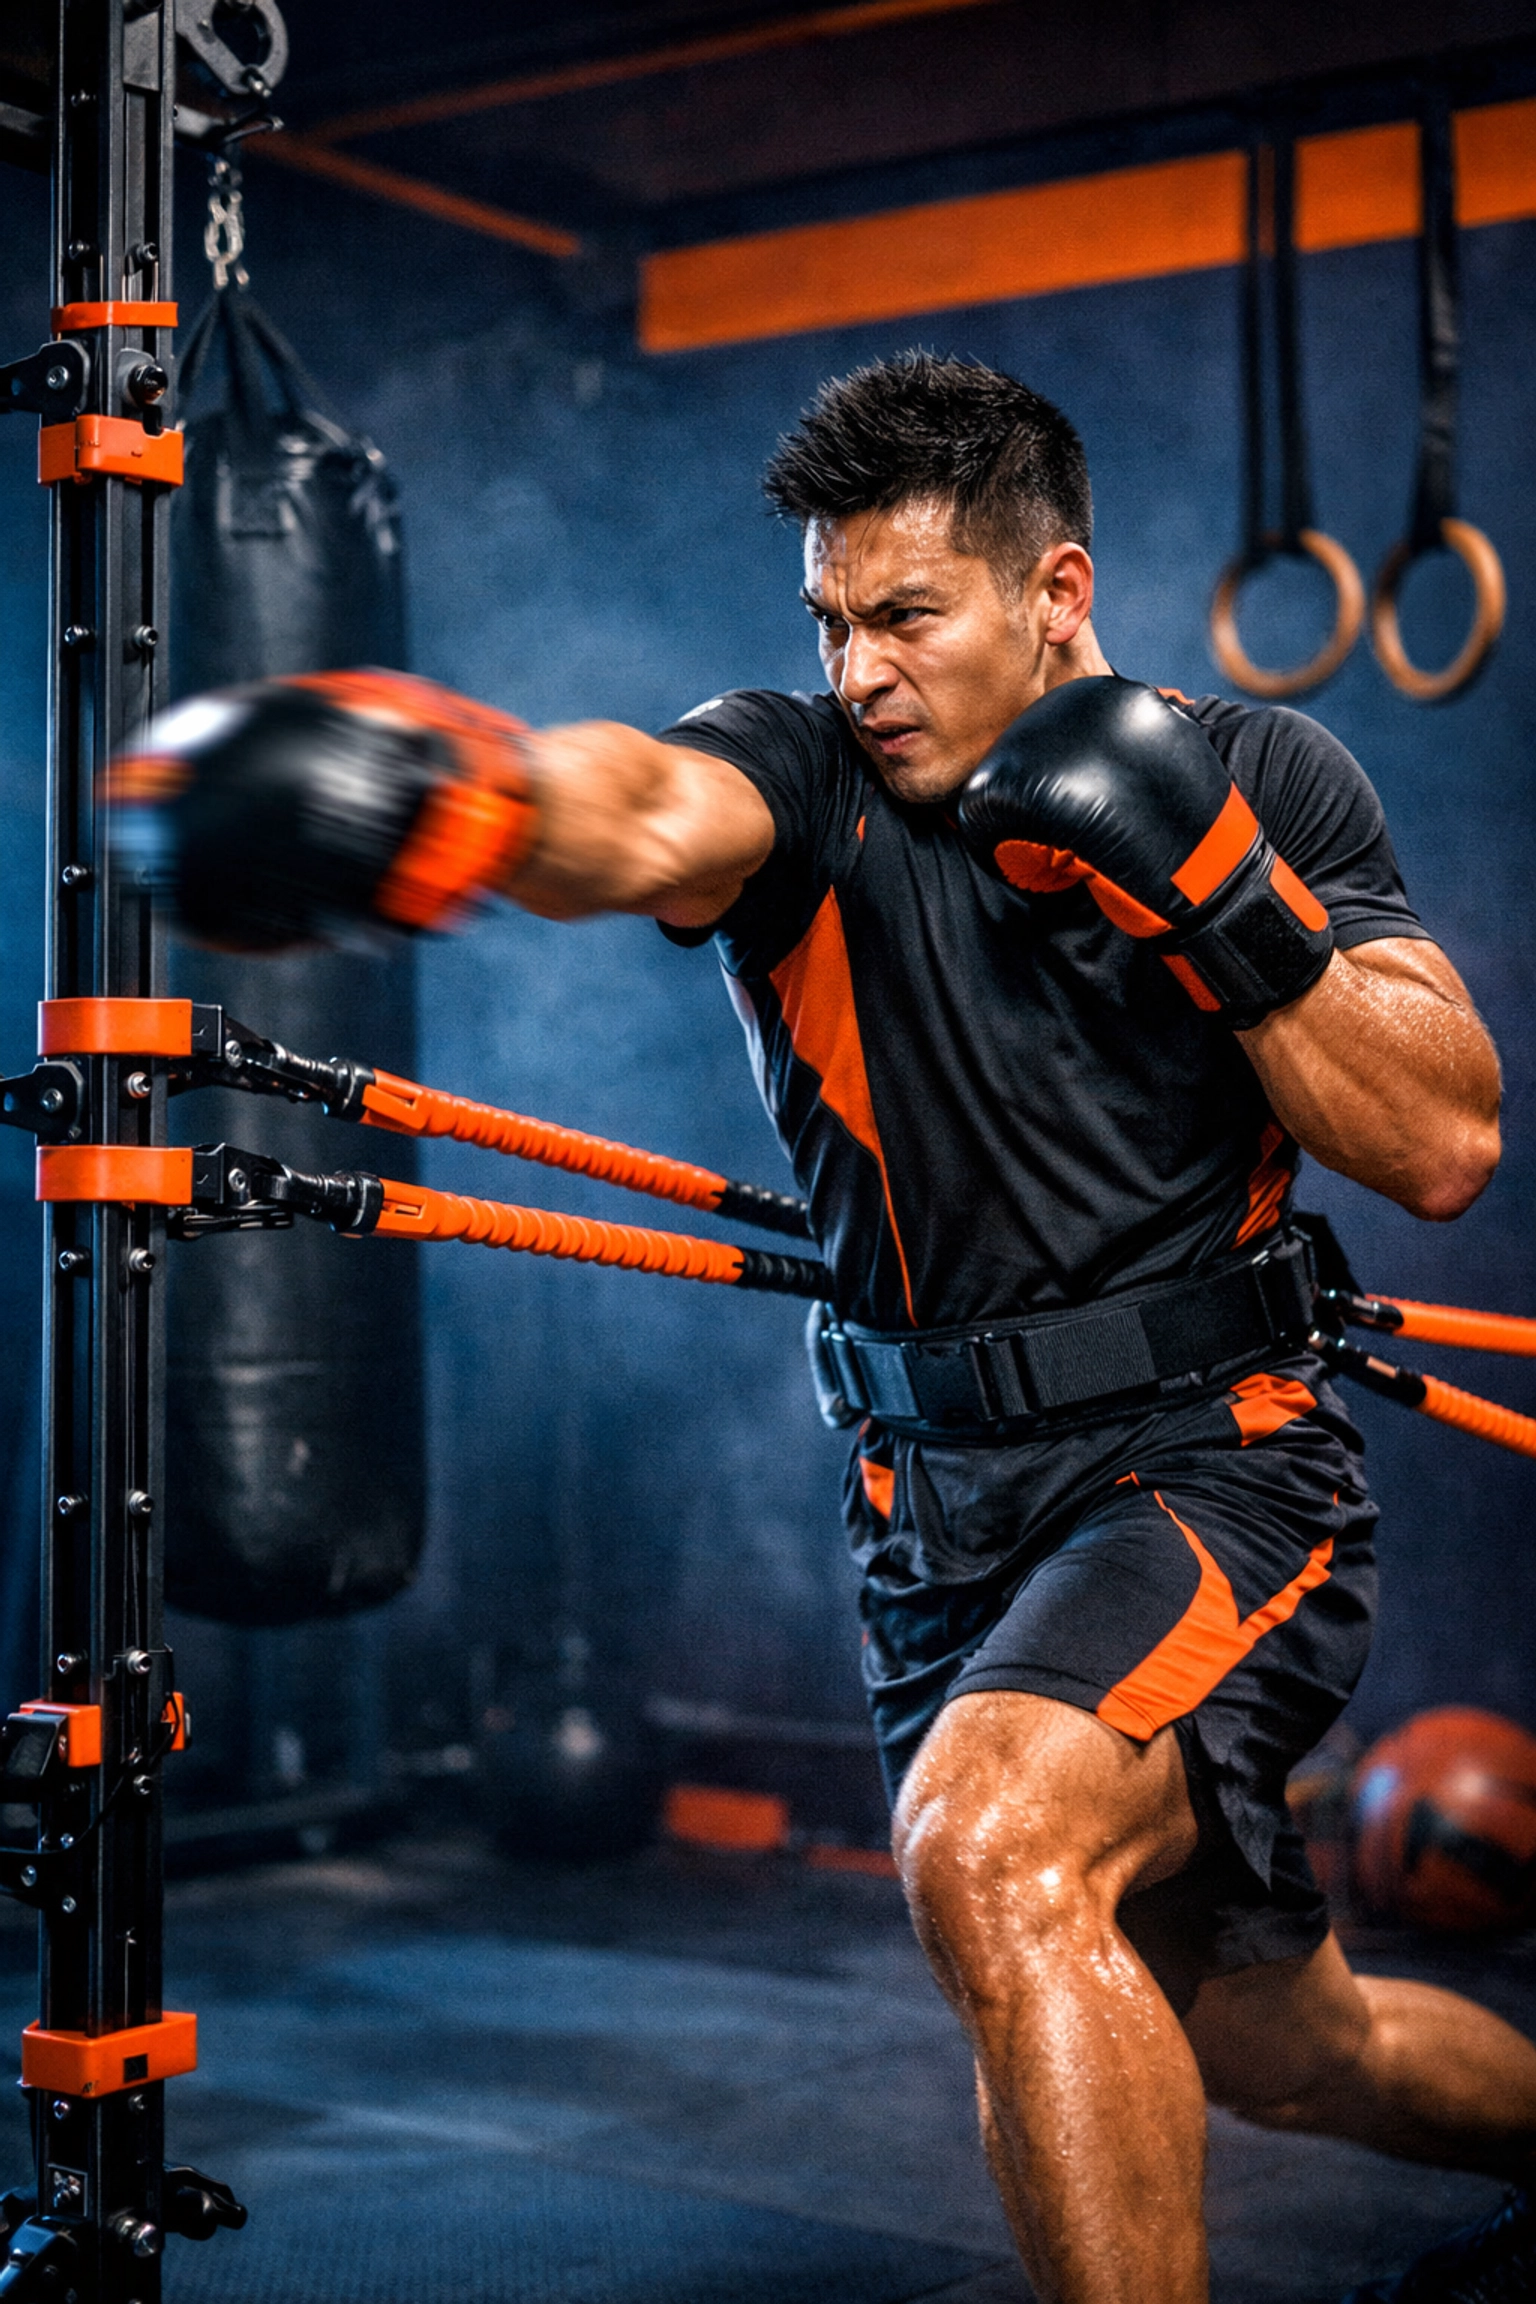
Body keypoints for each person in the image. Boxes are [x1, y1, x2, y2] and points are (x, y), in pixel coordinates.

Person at [122, 353, 1534, 2303]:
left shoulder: (1262, 778)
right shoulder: (807, 787)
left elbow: (1444, 1134)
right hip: (932, 1514)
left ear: (1057, 595)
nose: (859, 667)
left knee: (991, 1852)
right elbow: (622, 807)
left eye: (906, 616)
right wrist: (447, 788)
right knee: (1296, 2055)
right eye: (830, 620)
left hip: (1218, 1465)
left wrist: (1214, 885)